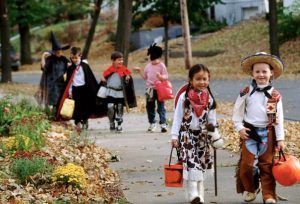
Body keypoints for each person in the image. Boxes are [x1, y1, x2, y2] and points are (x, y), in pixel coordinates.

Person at [233, 52, 285, 204]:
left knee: (266, 165)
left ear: (271, 73)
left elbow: (279, 119)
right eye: (257, 71)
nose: (261, 75)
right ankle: (250, 188)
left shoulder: (275, 95)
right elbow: (237, 112)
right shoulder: (246, 92)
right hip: (249, 131)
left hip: (268, 132)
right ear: (252, 73)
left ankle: (268, 194)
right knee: (246, 164)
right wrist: (239, 127)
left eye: (264, 71)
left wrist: (280, 138)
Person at [171, 64, 218, 204]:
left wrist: (214, 137)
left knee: (201, 164)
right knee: (191, 164)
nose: (202, 82)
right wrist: (174, 136)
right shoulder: (184, 99)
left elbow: (212, 120)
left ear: (209, 80)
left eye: (205, 79)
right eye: (198, 79)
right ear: (191, 81)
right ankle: (193, 193)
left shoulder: (209, 99)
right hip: (187, 136)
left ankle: (200, 193)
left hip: (203, 136)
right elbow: (177, 118)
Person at [56, 47, 99, 130]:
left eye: (76, 57)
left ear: (80, 56)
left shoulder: (85, 66)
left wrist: (92, 90)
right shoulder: (70, 68)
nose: (74, 59)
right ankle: (78, 123)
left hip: (85, 89)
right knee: (77, 107)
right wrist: (70, 91)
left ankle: (85, 121)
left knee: (85, 106)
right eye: (72, 58)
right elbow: (69, 81)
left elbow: (90, 78)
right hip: (75, 90)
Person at [134, 43, 168, 133]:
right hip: (149, 89)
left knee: (161, 107)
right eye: (152, 59)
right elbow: (145, 78)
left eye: (156, 59)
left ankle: (163, 124)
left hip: (160, 89)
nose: (154, 61)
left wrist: (160, 77)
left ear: (159, 57)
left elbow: (166, 77)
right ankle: (152, 123)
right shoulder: (148, 66)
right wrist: (139, 72)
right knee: (150, 107)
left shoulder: (162, 66)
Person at [101, 51, 135, 133]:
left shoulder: (124, 69)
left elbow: (128, 78)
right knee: (110, 106)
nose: (121, 62)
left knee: (120, 107)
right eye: (118, 60)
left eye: (122, 60)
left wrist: (127, 78)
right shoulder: (110, 69)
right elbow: (104, 75)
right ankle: (112, 123)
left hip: (120, 93)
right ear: (113, 60)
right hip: (111, 92)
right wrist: (103, 78)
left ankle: (119, 125)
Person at [38, 31, 70, 114]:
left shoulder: (64, 59)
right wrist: (43, 56)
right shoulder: (50, 60)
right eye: (57, 52)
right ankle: (52, 117)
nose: (59, 53)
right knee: (53, 103)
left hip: (61, 84)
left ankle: (58, 117)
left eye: (60, 51)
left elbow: (69, 68)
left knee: (60, 102)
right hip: (52, 85)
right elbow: (43, 68)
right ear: (54, 51)